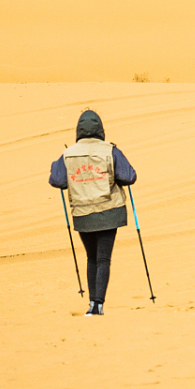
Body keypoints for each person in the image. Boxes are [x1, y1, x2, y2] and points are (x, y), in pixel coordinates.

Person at [48, 109, 137, 316]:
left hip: (82, 214)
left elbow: (57, 180)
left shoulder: (68, 153)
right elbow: (129, 176)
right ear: (100, 129)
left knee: (91, 258)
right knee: (103, 258)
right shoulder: (110, 150)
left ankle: (91, 304)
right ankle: (98, 304)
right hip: (110, 211)